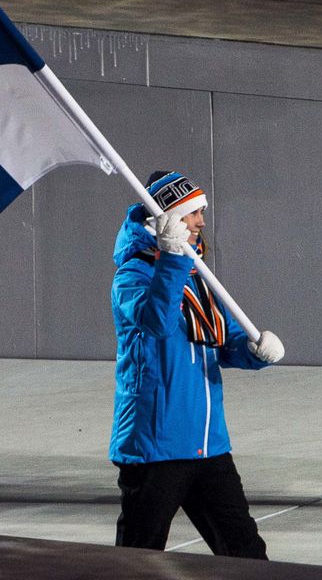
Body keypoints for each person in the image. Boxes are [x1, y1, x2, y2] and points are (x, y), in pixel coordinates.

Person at [110, 170, 285, 557]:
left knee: (248, 556)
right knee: (137, 560)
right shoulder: (132, 276)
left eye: (200, 212)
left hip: (209, 446)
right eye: (191, 215)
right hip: (156, 449)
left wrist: (253, 352)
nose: (201, 222)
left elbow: (222, 343)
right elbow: (158, 321)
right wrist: (171, 261)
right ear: (165, 221)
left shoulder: (196, 274)